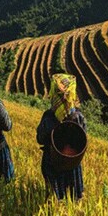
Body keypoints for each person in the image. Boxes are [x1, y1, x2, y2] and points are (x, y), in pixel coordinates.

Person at [37, 73, 86, 201]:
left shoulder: (48, 117)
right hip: (72, 165)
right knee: (73, 198)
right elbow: (83, 141)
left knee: (54, 198)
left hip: (51, 162)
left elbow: (40, 139)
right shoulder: (78, 117)